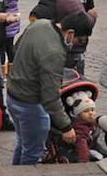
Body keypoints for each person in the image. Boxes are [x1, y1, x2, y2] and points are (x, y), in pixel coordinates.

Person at [6, 13, 93, 165]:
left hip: (14, 94)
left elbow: (16, 48)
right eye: (79, 40)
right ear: (71, 33)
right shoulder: (55, 52)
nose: (76, 44)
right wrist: (66, 126)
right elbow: (50, 97)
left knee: (23, 143)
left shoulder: (40, 24)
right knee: (33, 151)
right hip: (30, 103)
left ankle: (15, 174)